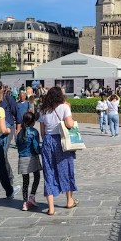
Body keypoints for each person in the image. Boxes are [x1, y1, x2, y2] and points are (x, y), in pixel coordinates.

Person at [38, 86, 78, 216]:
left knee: (48, 173)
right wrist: (69, 110)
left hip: (47, 142)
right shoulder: (65, 107)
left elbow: (42, 133)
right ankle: (69, 200)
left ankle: (51, 208)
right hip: (61, 141)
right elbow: (70, 124)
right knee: (66, 169)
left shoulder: (43, 110)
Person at [16, 111, 42, 211]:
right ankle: (32, 196)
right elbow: (35, 147)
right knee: (37, 177)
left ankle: (25, 202)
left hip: (22, 158)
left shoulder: (20, 133)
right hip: (32, 157)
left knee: (25, 181)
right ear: (33, 121)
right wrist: (41, 151)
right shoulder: (34, 132)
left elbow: (18, 147)